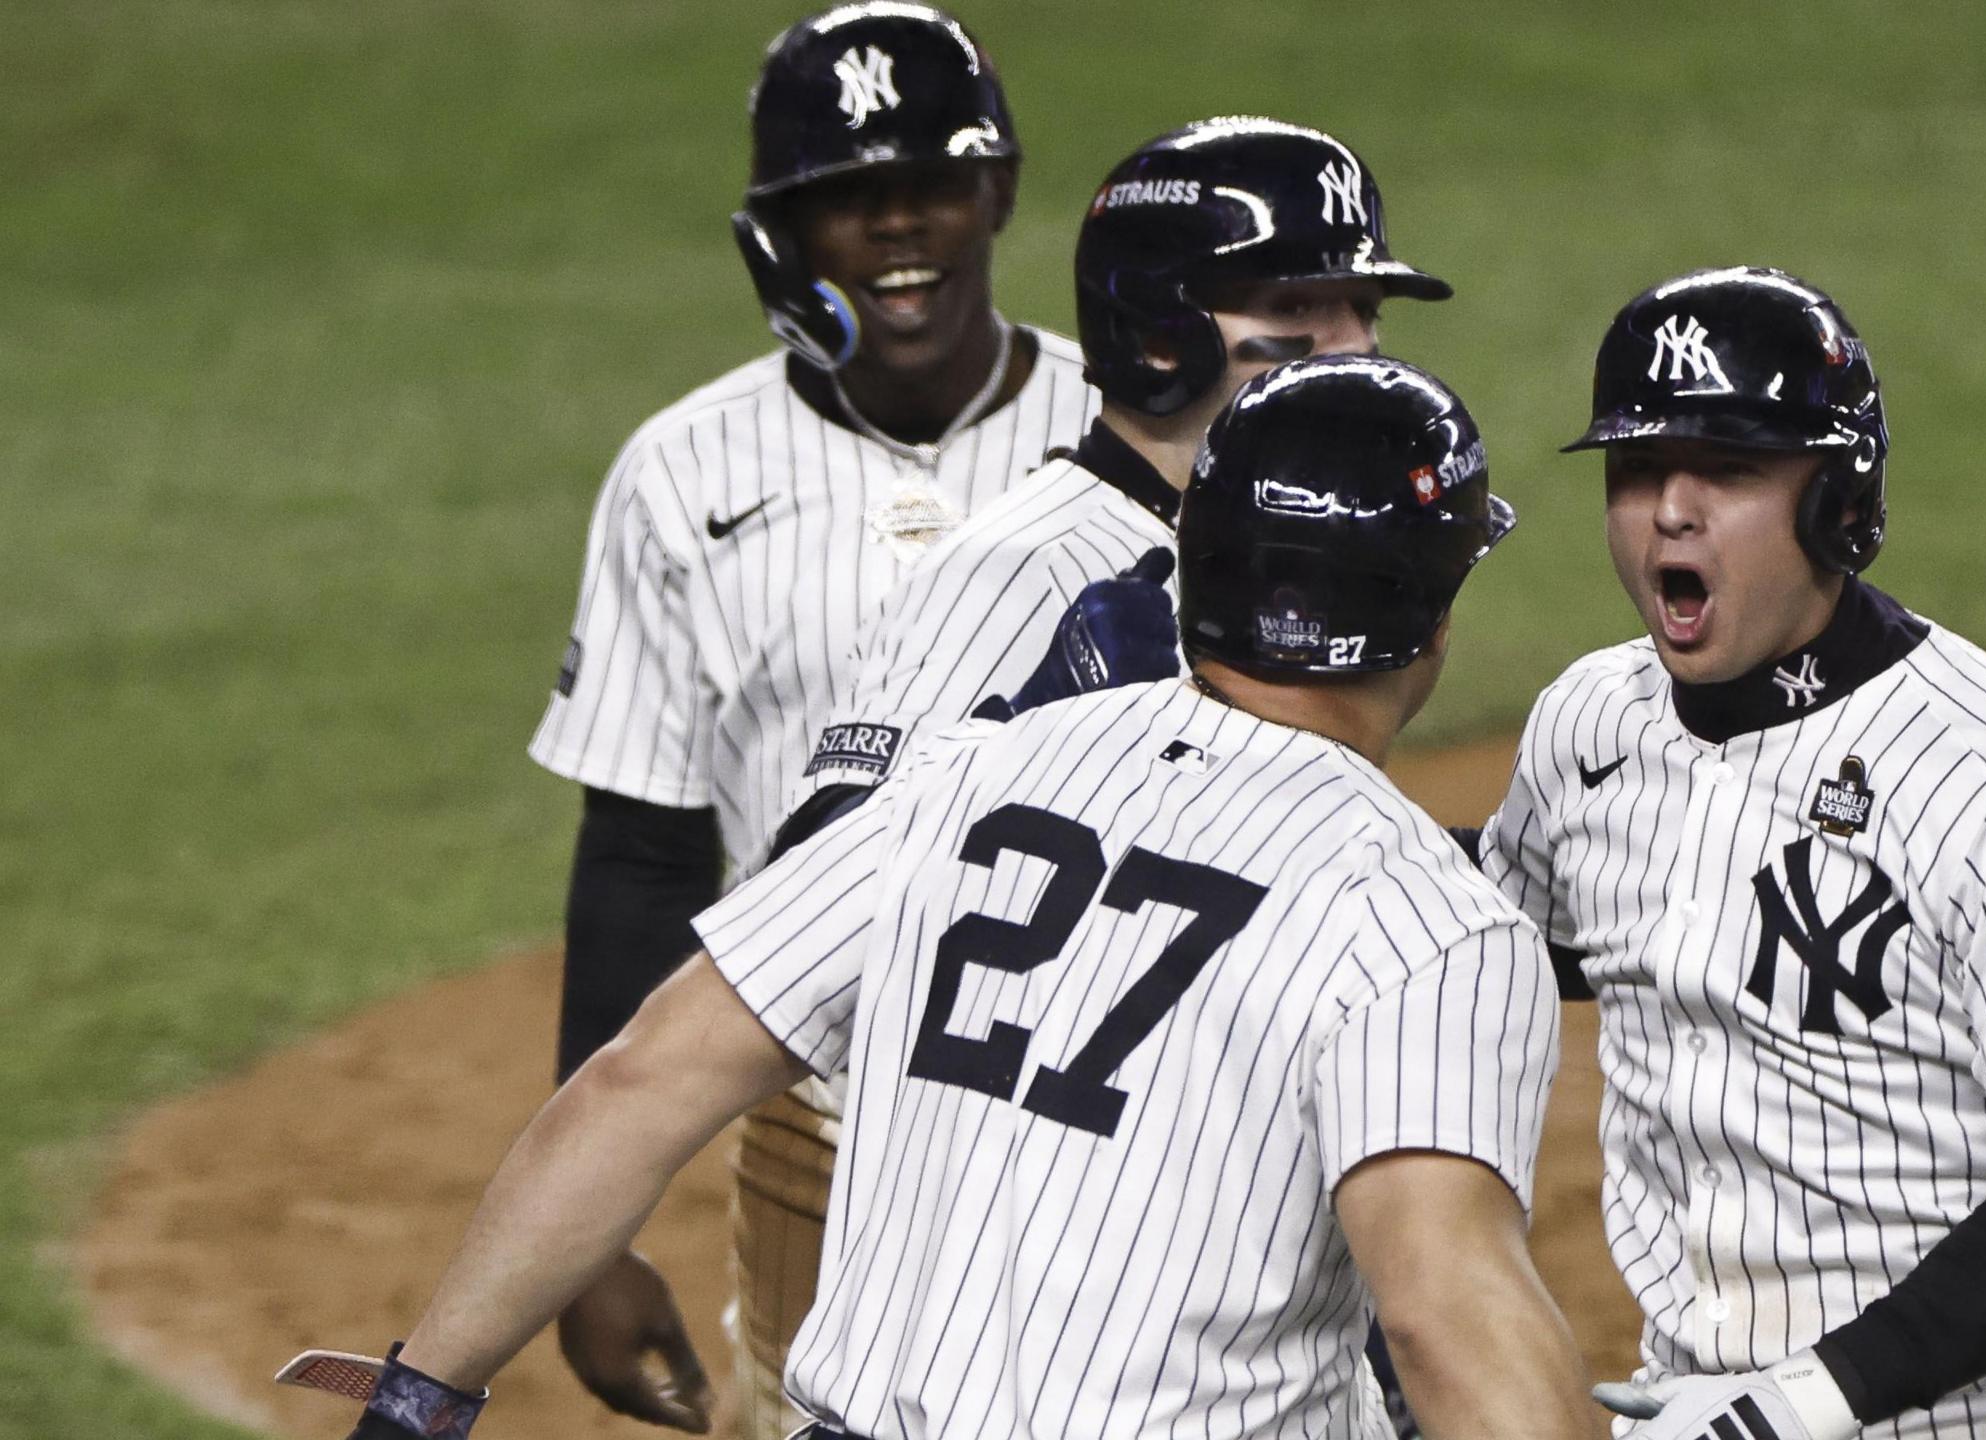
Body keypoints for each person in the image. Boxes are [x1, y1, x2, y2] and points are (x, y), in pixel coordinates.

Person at [325, 355, 1603, 1440]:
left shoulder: (972, 768)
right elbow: (1442, 1314)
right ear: (1430, 617)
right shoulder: (1428, 920)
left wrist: (421, 1395)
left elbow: (642, 1077)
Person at [1480, 267, 1986, 1438]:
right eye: (1637, 469)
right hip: (1690, 1403)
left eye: (1725, 469)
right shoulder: (1589, 725)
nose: (1670, 508)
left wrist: (1796, 1408)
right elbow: (1513, 930)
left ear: (1836, 503)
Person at [522, 6, 1093, 1432]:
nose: (897, 229)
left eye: (932, 185)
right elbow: (644, 854)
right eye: (844, 197)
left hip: (1112, 1094)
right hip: (817, 1118)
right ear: (780, 232)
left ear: (1000, 192)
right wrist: (588, 1240)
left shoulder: (1130, 435)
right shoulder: (681, 475)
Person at [780, 115, 1450, 836]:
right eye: (1294, 305)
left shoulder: (1285, 555)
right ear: (1158, 340)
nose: (1359, 345)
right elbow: (805, 882)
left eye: (1365, 308)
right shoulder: (1016, 571)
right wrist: (1032, 748)